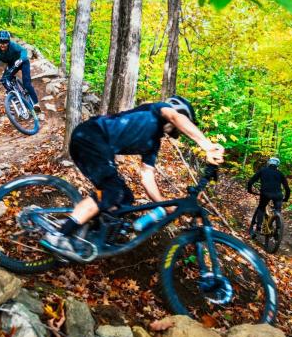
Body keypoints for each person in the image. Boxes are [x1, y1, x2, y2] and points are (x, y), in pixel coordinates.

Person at [42, 95, 224, 261]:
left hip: (94, 145)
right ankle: (60, 236)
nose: (178, 129)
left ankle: (82, 232)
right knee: (111, 192)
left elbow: (146, 176)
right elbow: (175, 117)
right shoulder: (156, 109)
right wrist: (206, 145)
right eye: (181, 124)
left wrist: (164, 204)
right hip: (92, 136)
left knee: (125, 197)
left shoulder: (153, 143)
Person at [0, 30, 42, 118]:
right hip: (12, 65)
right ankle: (16, 97)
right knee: (5, 80)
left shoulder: (13, 46)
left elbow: (23, 51)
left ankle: (35, 104)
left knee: (27, 83)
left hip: (23, 62)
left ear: (8, 41)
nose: (2, 44)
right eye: (0, 42)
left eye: (5, 42)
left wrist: (21, 59)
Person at [247, 157, 290, 236]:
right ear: (277, 165)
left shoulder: (262, 170)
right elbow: (287, 189)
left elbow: (250, 182)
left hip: (265, 193)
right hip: (278, 195)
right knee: (277, 209)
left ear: (269, 163)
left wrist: (250, 190)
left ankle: (259, 226)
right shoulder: (280, 174)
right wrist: (286, 198)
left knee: (261, 207)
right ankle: (278, 226)